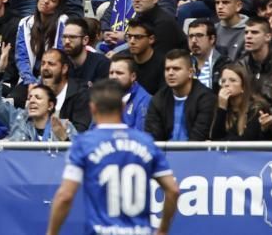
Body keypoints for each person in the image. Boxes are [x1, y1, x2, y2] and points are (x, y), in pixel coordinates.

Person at [46, 79, 180, 235]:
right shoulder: (146, 143)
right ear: (123, 107)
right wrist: (163, 229)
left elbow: (65, 196)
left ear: (92, 108)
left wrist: (51, 233)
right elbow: (173, 190)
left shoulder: (85, 144)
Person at [146, 49, 217, 141]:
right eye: (167, 69)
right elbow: (153, 136)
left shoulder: (206, 98)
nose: (170, 73)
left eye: (176, 69)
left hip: (196, 153)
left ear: (190, 72)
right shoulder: (158, 99)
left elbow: (199, 137)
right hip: (165, 154)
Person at [0, 75, 75, 142]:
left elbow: (79, 160)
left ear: (50, 106)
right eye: (30, 98)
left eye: (38, 97)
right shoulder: (18, 119)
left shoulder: (64, 126)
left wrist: (65, 139)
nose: (32, 101)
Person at [210, 63, 263, 140]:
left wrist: (224, 141)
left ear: (243, 86)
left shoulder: (256, 108)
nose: (226, 84)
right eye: (223, 81)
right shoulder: (220, 106)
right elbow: (215, 138)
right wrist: (222, 108)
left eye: (233, 80)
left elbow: (247, 140)